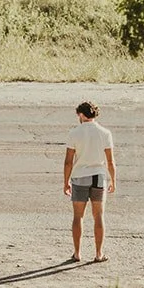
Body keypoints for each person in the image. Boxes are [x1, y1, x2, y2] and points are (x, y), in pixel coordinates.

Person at [62, 101, 116, 263]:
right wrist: (113, 180)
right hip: (98, 176)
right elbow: (110, 161)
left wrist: (66, 182)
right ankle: (99, 253)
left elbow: (68, 161)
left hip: (80, 177)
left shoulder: (74, 133)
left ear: (81, 114)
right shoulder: (105, 133)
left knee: (78, 216)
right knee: (98, 215)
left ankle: (77, 253)